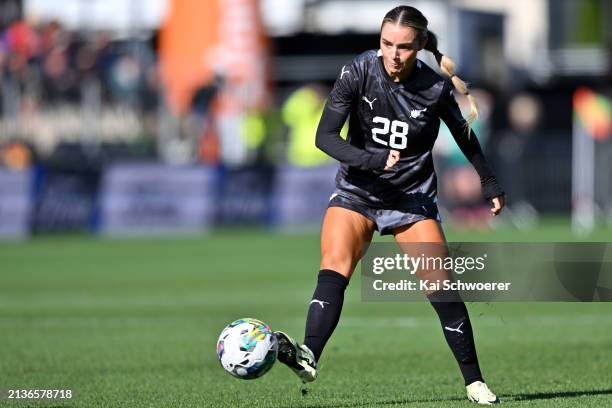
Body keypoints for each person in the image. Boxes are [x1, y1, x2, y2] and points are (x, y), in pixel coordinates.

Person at [274, 5, 504, 405]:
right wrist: (371, 160)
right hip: (357, 192)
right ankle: (309, 355)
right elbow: (325, 137)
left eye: (403, 47)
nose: (392, 55)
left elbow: (464, 135)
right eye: (385, 44)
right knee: (334, 265)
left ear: (419, 47)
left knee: (441, 286)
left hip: (411, 199)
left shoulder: (434, 88)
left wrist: (488, 180)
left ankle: (474, 382)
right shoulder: (359, 71)